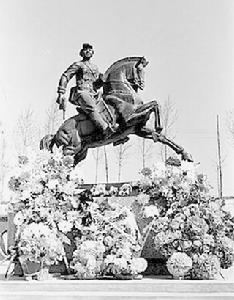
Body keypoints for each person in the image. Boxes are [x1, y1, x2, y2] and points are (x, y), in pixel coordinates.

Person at [56, 43, 114, 137]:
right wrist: (61, 93)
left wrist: (101, 81)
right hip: (81, 93)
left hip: (93, 94)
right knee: (91, 106)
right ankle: (105, 129)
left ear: (93, 53)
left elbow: (96, 85)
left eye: (90, 50)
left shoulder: (95, 68)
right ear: (82, 52)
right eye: (86, 49)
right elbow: (66, 76)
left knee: (108, 106)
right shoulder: (78, 65)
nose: (88, 51)